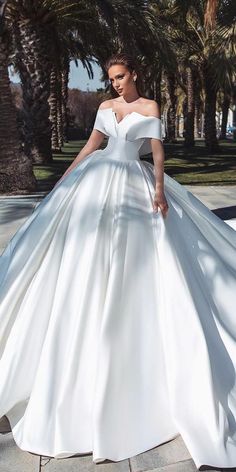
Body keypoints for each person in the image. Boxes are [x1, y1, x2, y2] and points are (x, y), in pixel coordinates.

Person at [0, 52, 236, 470]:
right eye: (111, 78)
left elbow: (157, 152)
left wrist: (160, 190)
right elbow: (93, 146)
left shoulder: (149, 107)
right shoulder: (106, 108)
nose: (115, 84)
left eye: (121, 76)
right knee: (77, 261)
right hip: (96, 182)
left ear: (135, 75)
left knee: (147, 262)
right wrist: (65, 180)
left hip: (135, 183)